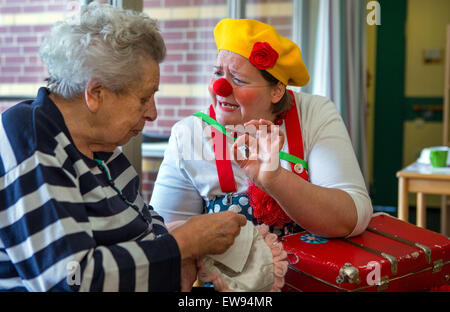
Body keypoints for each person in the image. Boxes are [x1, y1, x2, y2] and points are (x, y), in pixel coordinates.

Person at [0, 3, 246, 292]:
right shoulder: (31, 139)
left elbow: (145, 220)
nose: (153, 113)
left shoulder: (101, 146)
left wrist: (176, 249)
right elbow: (70, 280)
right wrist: (182, 246)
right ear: (96, 93)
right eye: (144, 98)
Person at [151, 18, 373, 238]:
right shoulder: (188, 134)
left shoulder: (314, 113)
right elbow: (164, 237)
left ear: (276, 91)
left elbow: (351, 219)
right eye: (218, 73)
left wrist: (275, 179)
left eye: (238, 79)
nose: (220, 87)